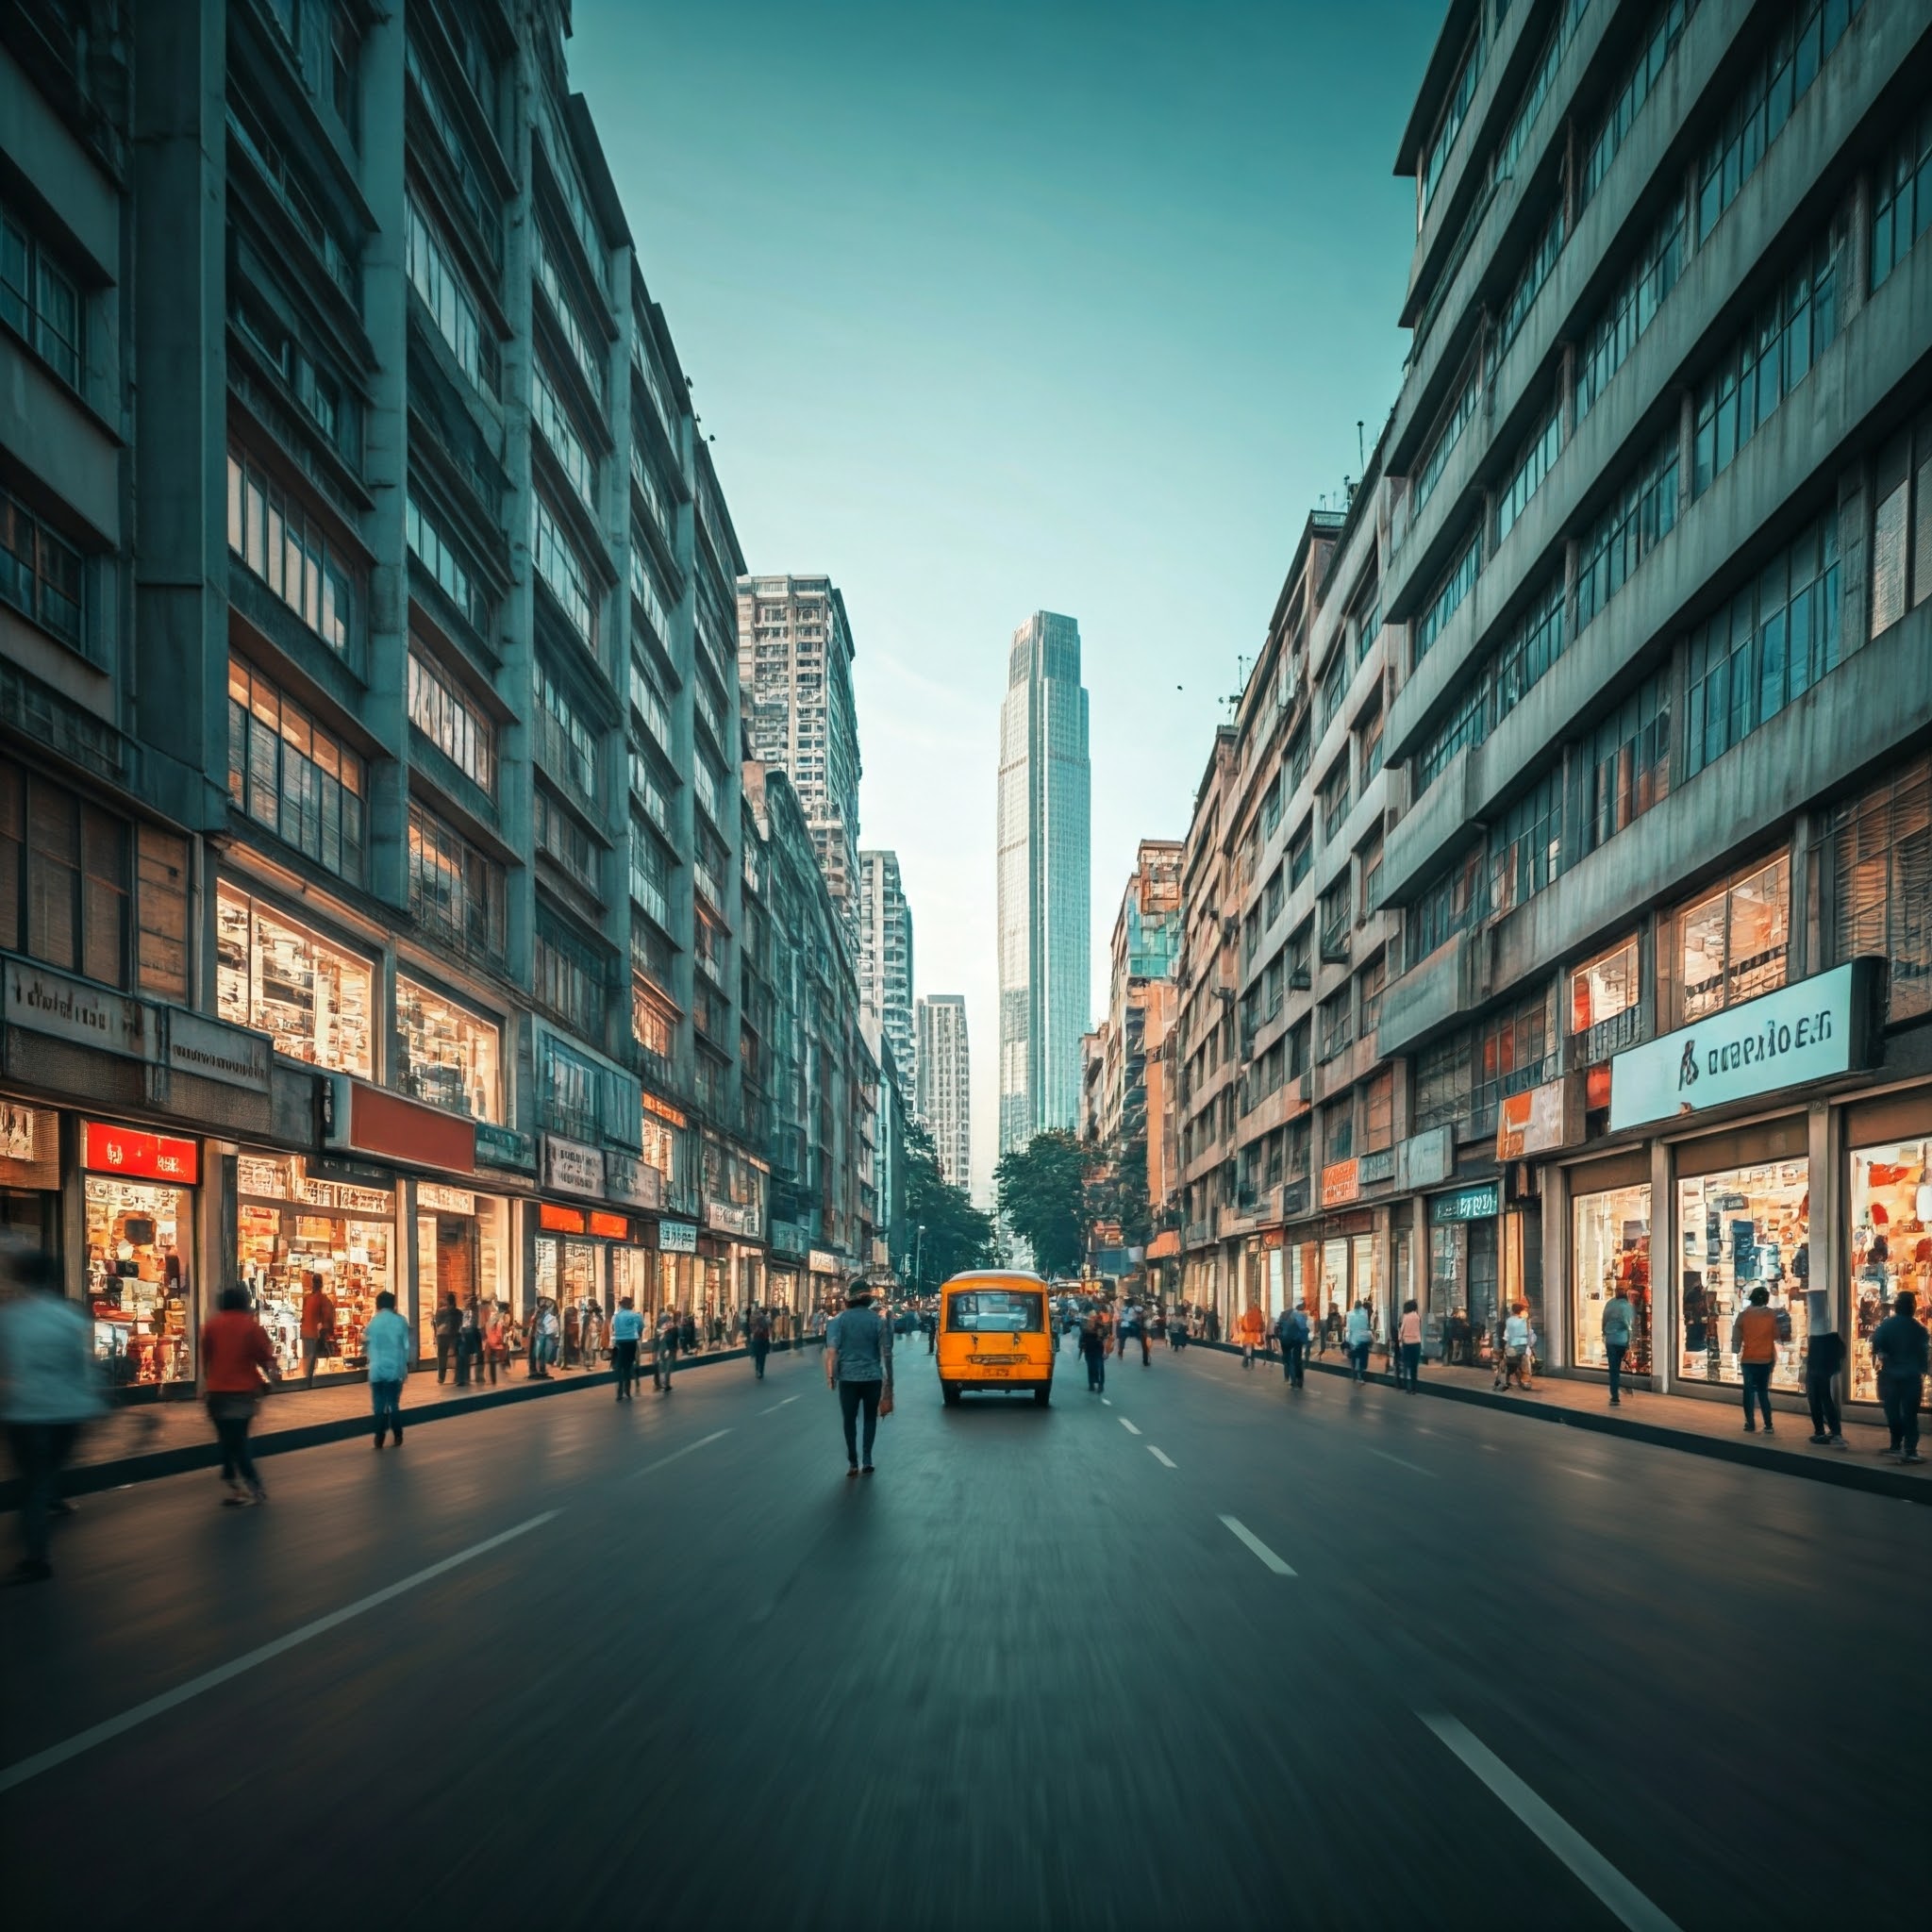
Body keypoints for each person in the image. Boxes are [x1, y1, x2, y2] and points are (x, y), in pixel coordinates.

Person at [0, 1250, 105, 1582]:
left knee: (33, 1483)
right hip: (68, 1410)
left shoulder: (10, 1318)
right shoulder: (69, 1316)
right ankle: (53, 1497)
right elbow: (85, 1365)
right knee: (46, 1474)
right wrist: (95, 1402)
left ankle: (37, 1558)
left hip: (27, 1411)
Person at [201, 1286, 275, 1506]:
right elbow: (265, 1357)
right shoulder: (251, 1327)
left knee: (226, 1440)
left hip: (216, 1394)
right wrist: (269, 1380)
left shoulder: (211, 1326)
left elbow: (206, 1360)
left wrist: (206, 1385)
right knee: (240, 1441)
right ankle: (253, 1487)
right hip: (242, 1393)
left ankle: (234, 1485)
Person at [824, 1283, 893, 1475]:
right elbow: (886, 1353)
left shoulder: (838, 1321)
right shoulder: (877, 1321)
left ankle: (853, 1462)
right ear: (867, 1300)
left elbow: (832, 1351)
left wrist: (831, 1376)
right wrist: (890, 1383)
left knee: (849, 1420)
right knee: (870, 1418)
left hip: (848, 1378)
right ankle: (868, 1459)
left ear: (850, 1300)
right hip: (873, 1377)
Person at [1870, 1289, 1927, 1464]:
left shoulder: (1886, 1326)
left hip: (1891, 1375)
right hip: (1911, 1377)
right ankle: (1910, 1450)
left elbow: (1877, 1344)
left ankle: (1895, 1444)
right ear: (1912, 1307)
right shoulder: (1919, 1329)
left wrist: (1883, 1355)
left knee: (1892, 1411)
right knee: (1910, 1414)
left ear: (1896, 1307)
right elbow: (1923, 1355)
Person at [364, 1289, 410, 1448]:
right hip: (394, 1369)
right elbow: (405, 1347)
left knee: (378, 1405)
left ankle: (379, 1436)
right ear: (393, 1305)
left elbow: (367, 1344)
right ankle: (398, 1435)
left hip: (376, 1369)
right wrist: (404, 1370)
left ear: (378, 1305)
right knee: (393, 1404)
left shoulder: (373, 1323)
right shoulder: (401, 1321)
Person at [1732, 1285, 1780, 1434]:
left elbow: (1736, 1336)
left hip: (1749, 1359)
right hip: (1765, 1359)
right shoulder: (1771, 1315)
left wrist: (1736, 1349)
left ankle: (1750, 1423)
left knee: (1748, 1392)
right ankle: (1768, 1424)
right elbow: (1777, 1334)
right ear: (1766, 1299)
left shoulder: (1743, 1315)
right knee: (1763, 1392)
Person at [1802, 1291, 1846, 1447]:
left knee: (1816, 1401)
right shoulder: (1831, 1335)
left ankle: (1821, 1432)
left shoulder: (1816, 1337)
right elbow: (1842, 1351)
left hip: (1816, 1372)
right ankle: (1835, 1432)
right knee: (1826, 1400)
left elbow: (1813, 1358)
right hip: (1825, 1372)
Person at [299, 1272, 336, 1390]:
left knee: (308, 1358)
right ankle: (308, 1382)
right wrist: (327, 1330)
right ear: (321, 1284)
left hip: (306, 1332)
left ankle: (306, 1381)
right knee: (312, 1359)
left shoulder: (307, 1298)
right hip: (315, 1333)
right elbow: (328, 1317)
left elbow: (304, 1316)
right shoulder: (323, 1299)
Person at [1601, 1284, 1635, 1407]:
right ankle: (1625, 1388)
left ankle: (1615, 1396)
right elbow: (1629, 1326)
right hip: (1622, 1340)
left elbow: (1604, 1320)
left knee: (1613, 1369)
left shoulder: (1610, 1304)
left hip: (1610, 1340)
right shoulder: (1627, 1306)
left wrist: (1604, 1333)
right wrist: (1630, 1343)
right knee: (1623, 1365)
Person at [609, 1296, 644, 1401]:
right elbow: (641, 1327)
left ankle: (619, 1392)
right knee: (628, 1367)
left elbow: (612, 1329)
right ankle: (627, 1391)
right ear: (630, 1304)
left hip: (618, 1343)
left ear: (621, 1305)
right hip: (631, 1343)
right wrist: (636, 1333)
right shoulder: (636, 1315)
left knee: (618, 1367)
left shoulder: (615, 1317)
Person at [1498, 1302, 1538, 1392]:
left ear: (1512, 1311)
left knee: (1509, 1363)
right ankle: (1525, 1381)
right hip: (1523, 1348)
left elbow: (1506, 1336)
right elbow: (1530, 1336)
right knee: (1524, 1363)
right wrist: (1530, 1346)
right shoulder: (1524, 1321)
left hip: (1511, 1348)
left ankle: (1505, 1380)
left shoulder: (1509, 1321)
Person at [433, 1291, 463, 1383]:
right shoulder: (458, 1312)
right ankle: (458, 1376)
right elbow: (460, 1324)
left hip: (442, 1335)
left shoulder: (440, 1312)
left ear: (446, 1301)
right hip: (454, 1335)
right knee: (458, 1356)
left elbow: (437, 1324)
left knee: (442, 1357)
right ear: (454, 1301)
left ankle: (441, 1377)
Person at [1078, 1307, 1108, 1393]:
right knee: (1090, 1367)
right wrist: (1081, 1346)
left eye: (1093, 1317)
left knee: (1099, 1367)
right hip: (1089, 1349)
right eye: (1090, 1317)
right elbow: (1082, 1337)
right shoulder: (1085, 1326)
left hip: (1098, 1349)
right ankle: (1091, 1384)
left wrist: (1101, 1336)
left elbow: (1105, 1336)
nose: (1092, 1319)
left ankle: (1100, 1385)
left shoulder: (1100, 1326)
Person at [1274, 1303, 1304, 1387]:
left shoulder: (1282, 1315)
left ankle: (1291, 1379)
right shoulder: (1298, 1315)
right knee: (1297, 1360)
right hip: (1297, 1341)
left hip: (1285, 1341)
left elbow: (1276, 1328)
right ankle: (1299, 1380)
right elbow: (1303, 1328)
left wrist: (1279, 1337)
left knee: (1288, 1360)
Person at [1397, 1299, 1424, 1392]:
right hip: (1416, 1343)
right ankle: (1414, 1388)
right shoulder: (1417, 1317)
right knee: (1414, 1367)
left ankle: (1406, 1386)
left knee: (1406, 1365)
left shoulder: (1406, 1317)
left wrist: (1399, 1340)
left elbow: (1402, 1329)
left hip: (1407, 1344)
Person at [1344, 1300, 1373, 1382]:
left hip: (1353, 1340)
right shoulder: (1364, 1314)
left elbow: (1349, 1328)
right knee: (1362, 1358)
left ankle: (1354, 1373)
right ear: (1361, 1306)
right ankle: (1360, 1374)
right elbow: (1366, 1327)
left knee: (1354, 1357)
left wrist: (1348, 1339)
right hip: (1362, 1340)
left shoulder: (1350, 1314)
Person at [654, 1306, 678, 1393]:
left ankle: (661, 1383)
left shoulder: (658, 1330)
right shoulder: (673, 1327)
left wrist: (655, 1350)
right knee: (667, 1367)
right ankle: (666, 1384)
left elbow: (656, 1340)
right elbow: (675, 1338)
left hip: (662, 1349)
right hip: (670, 1348)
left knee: (662, 1365)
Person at [482, 1304, 509, 1386]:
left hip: (491, 1343)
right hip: (495, 1343)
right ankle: (493, 1379)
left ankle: (492, 1379)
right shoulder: (500, 1320)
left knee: (491, 1362)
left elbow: (488, 1329)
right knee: (493, 1361)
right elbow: (500, 1333)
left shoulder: (493, 1319)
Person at [1237, 1301, 1266, 1369]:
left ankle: (1246, 1359)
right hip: (1253, 1334)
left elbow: (1242, 1325)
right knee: (1252, 1348)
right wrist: (1261, 1331)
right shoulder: (1258, 1315)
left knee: (1245, 1346)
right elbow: (1261, 1325)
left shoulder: (1247, 1314)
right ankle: (1252, 1360)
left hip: (1246, 1334)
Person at [748, 1305, 773, 1381]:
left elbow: (751, 1329)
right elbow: (769, 1325)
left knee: (758, 1358)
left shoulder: (754, 1320)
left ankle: (757, 1370)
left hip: (757, 1340)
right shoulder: (764, 1319)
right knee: (762, 1358)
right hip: (763, 1341)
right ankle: (760, 1371)